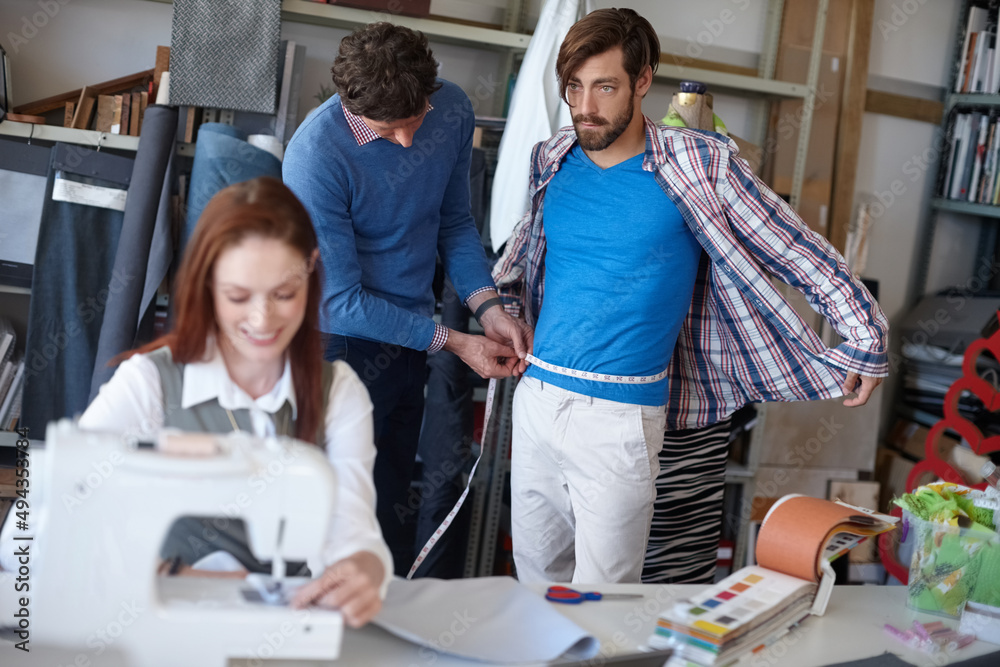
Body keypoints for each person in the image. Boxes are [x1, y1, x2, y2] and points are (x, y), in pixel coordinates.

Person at [493, 8, 888, 584]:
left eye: (604, 86)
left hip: (620, 415)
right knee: (535, 583)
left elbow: (797, 250)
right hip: (535, 398)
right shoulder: (550, 158)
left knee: (604, 602)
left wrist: (866, 336)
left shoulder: (699, 165)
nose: (585, 107)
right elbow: (523, 260)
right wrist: (501, 311)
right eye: (573, 87)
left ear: (643, 81)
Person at [76, 177, 390, 628]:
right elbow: (47, 519)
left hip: (287, 628)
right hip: (161, 625)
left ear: (312, 269)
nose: (263, 319)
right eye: (238, 297)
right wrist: (171, 574)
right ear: (207, 285)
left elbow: (352, 527)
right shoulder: (150, 385)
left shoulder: (338, 392)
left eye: (284, 294)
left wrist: (365, 568)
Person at [283, 22, 532, 575]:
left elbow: (454, 224)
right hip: (335, 344)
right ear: (352, 108)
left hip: (409, 339)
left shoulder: (451, 109)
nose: (407, 142)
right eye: (387, 130)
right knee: (333, 517)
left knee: (388, 509)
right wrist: (455, 341)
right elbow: (339, 301)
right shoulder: (314, 157)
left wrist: (489, 307)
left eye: (415, 119)